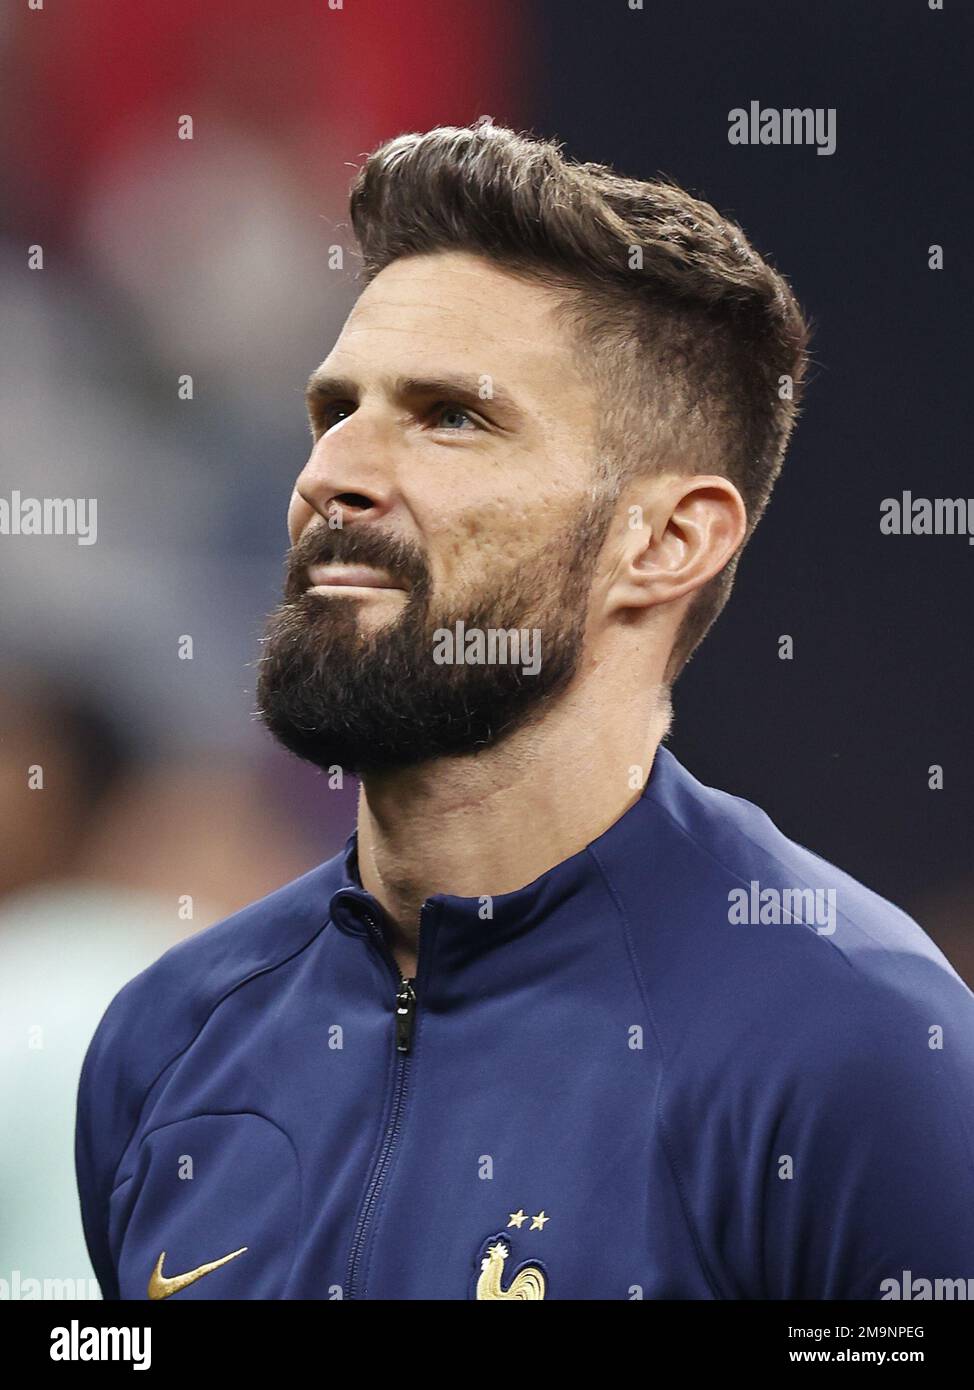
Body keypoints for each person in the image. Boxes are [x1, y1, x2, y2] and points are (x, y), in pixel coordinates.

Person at [76, 118, 974, 1301]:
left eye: (450, 415)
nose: (332, 474)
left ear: (663, 541)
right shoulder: (164, 1039)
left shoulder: (855, 1050)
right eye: (332, 409)